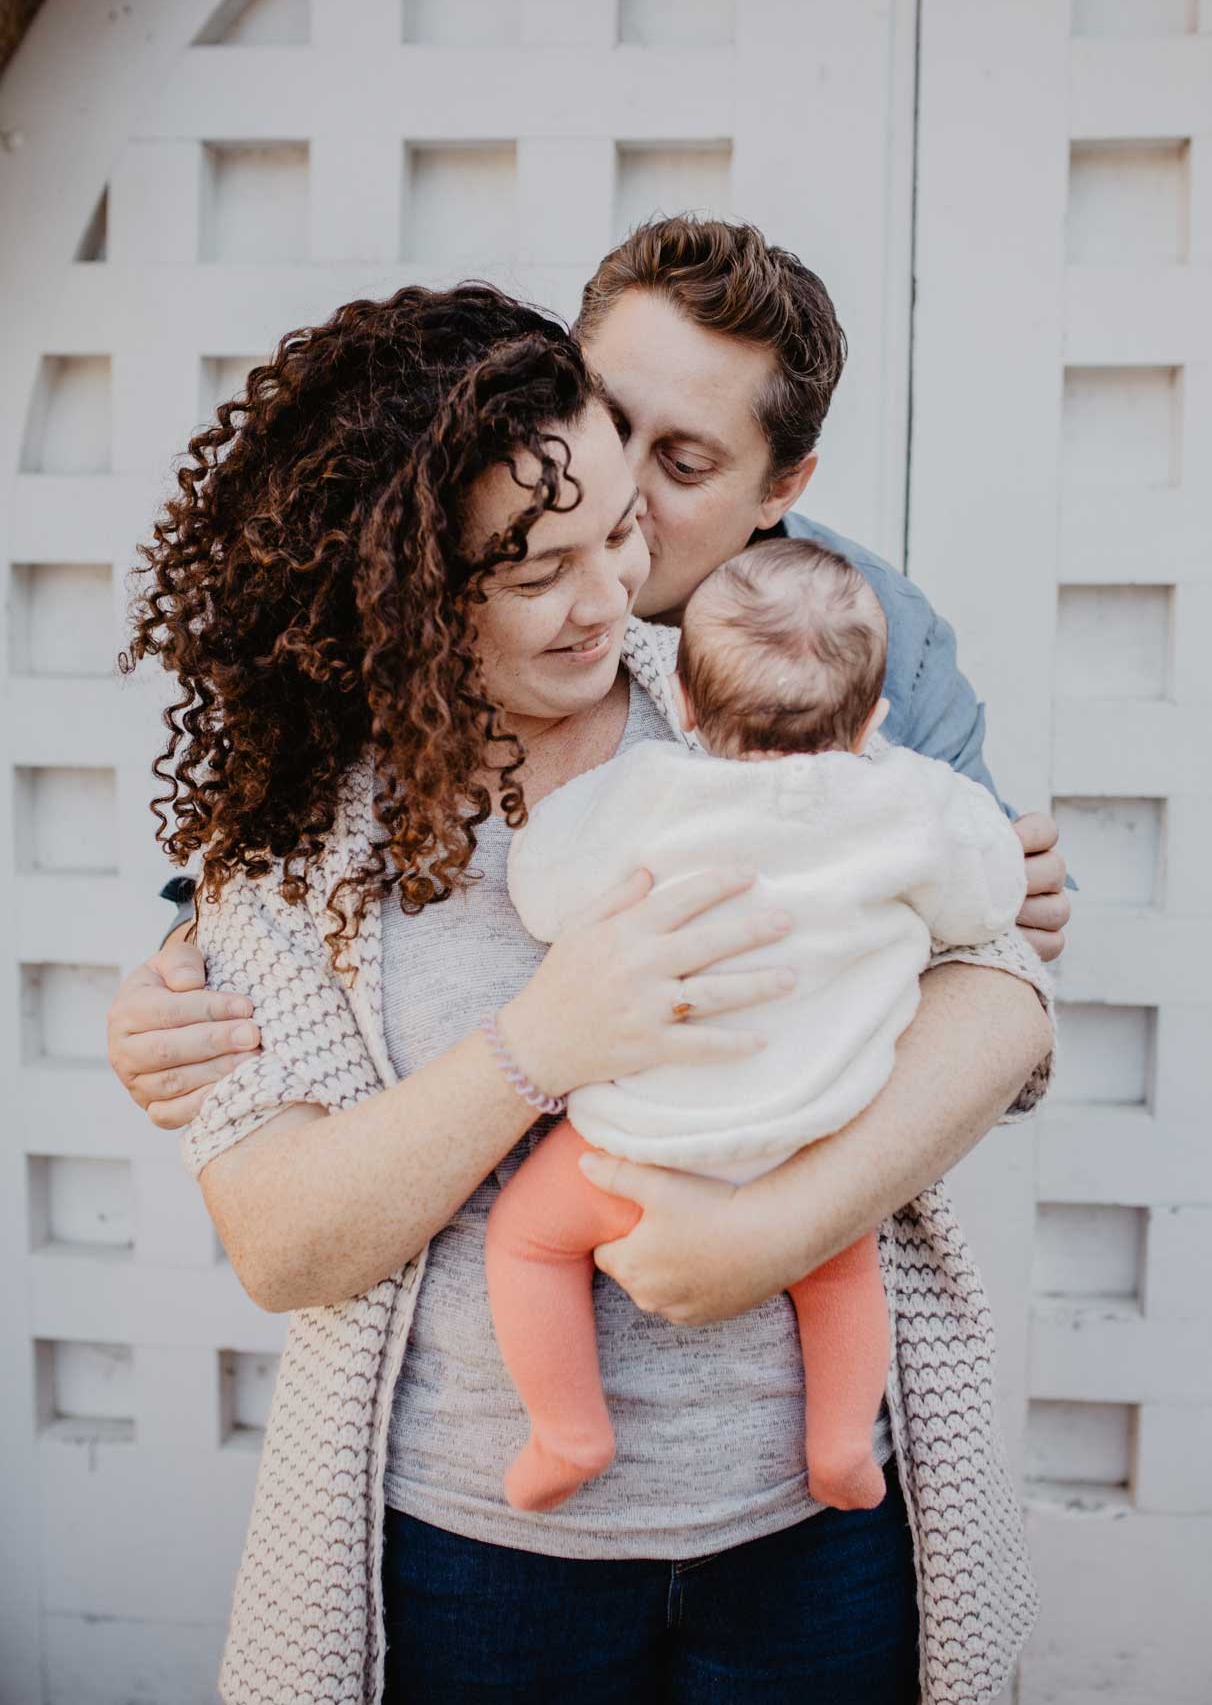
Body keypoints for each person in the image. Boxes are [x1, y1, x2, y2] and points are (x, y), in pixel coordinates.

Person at [106, 228, 1062, 1703]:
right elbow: (283, 1243)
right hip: (474, 1559)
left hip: (814, 1537)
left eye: (619, 534)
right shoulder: (300, 845)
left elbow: (1002, 988)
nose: (609, 598)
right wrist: (538, 1041)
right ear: (404, 581)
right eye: (535, 568)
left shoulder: (739, 693)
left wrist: (776, 1226)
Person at [487, 537, 1028, 1521]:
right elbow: (989, 897)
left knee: (524, 1241)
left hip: (637, 1142)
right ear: (869, 716)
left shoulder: (648, 788)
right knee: (840, 1262)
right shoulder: (909, 799)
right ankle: (836, 1449)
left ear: (683, 704)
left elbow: (543, 891)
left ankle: (566, 1425)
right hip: (811, 1138)